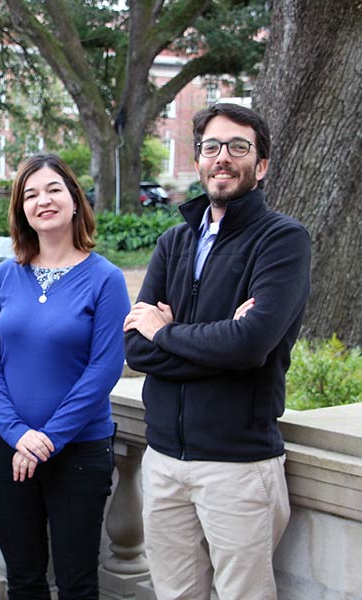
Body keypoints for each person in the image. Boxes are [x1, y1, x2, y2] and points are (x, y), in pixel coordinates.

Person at [123, 103, 311, 599]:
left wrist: (166, 333)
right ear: (200, 159)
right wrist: (216, 338)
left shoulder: (283, 241)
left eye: (237, 147)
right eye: (211, 147)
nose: (222, 157)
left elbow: (250, 344)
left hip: (238, 468)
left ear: (262, 165)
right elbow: (133, 347)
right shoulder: (173, 242)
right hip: (163, 458)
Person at [0, 154, 130, 600]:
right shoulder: (5, 275)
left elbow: (104, 369)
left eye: (53, 189)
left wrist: (48, 439)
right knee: (22, 579)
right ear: (21, 210)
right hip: (8, 449)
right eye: (31, 194)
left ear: (75, 200)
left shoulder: (105, 279)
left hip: (78, 451)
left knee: (77, 582)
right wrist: (18, 433)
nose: (43, 200)